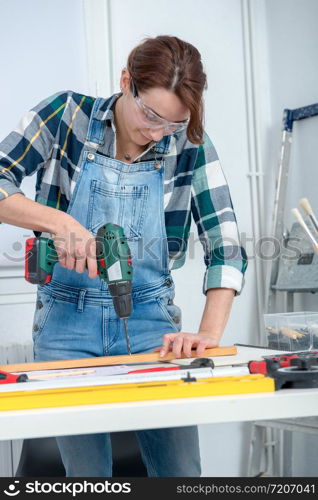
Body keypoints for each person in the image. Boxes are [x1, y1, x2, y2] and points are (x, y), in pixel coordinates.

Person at [0, 35, 247, 477]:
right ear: (125, 81)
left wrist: (209, 335)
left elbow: (225, 242)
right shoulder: (65, 116)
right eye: (150, 114)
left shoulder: (189, 144)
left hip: (154, 327)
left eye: (172, 124)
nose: (157, 133)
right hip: (65, 329)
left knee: (181, 476)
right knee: (89, 480)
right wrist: (59, 223)